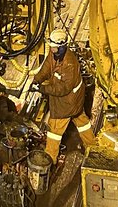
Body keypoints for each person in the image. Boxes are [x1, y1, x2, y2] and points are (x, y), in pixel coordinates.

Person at [32, 28, 93, 163]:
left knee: (54, 131)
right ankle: (92, 148)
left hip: (67, 102)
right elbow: (46, 68)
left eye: (54, 48)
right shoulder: (55, 54)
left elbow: (62, 89)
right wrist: (37, 80)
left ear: (62, 47)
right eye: (51, 48)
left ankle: (50, 159)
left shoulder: (69, 63)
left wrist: (42, 88)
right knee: (82, 122)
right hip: (74, 101)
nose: (52, 50)